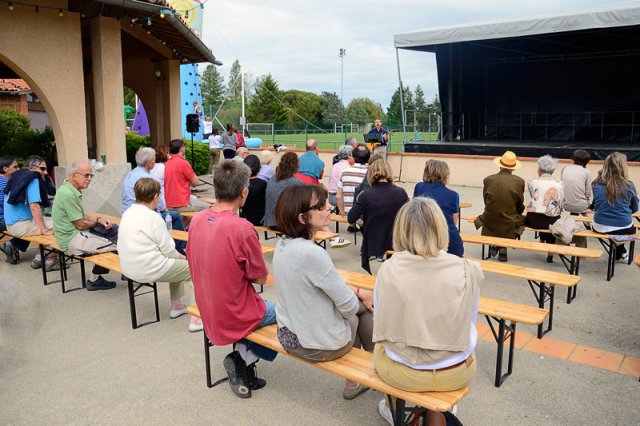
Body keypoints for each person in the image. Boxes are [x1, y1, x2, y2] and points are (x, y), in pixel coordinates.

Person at [373, 198, 482, 426]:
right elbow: (469, 323)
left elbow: (381, 321)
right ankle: (436, 417)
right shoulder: (468, 269)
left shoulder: (388, 269)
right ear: (440, 227)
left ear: (401, 229)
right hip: (455, 372)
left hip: (403, 373)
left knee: (379, 345)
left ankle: (401, 412)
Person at [273, 184, 374, 400]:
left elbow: (326, 283)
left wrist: (355, 291)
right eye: (321, 205)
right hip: (314, 345)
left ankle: (355, 380)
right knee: (364, 310)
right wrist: (358, 300)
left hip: (288, 336)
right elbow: (347, 306)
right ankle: (373, 372)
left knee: (357, 305)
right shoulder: (312, 254)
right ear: (303, 218)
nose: (329, 207)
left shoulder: (283, 244)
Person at [188, 160, 276, 399]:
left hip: (207, 306)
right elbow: (259, 276)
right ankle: (242, 358)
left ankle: (241, 357)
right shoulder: (242, 228)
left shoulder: (196, 220)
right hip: (236, 312)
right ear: (244, 192)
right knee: (289, 311)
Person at [117, 178, 201, 331]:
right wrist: (182, 257)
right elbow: (168, 249)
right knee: (194, 268)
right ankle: (196, 319)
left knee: (177, 265)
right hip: (148, 268)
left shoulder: (128, 212)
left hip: (129, 267)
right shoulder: (153, 217)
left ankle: (177, 305)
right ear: (155, 197)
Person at [52, 160, 118, 290]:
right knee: (119, 244)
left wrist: (99, 219)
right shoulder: (68, 193)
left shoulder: (69, 189)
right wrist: (95, 222)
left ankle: (103, 277)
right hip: (71, 239)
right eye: (86, 175)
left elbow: (82, 215)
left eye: (91, 176)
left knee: (114, 230)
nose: (89, 179)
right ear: (74, 175)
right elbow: (81, 224)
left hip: (76, 234)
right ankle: (95, 280)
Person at [122, 147, 186, 253]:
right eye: (153, 159)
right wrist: (164, 209)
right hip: (140, 217)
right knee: (175, 216)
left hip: (126, 213)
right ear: (149, 163)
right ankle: (179, 249)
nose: (155, 161)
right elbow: (158, 202)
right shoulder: (146, 178)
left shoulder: (131, 173)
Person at [348, 159, 408, 272]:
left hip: (373, 241)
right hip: (396, 241)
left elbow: (351, 218)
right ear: (389, 172)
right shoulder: (401, 193)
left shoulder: (365, 195)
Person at [4, 155, 60, 270]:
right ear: (31, 167)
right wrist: (44, 229)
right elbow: (34, 206)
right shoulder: (33, 178)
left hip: (11, 224)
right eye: (42, 169)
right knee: (64, 226)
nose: (45, 172)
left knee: (57, 221)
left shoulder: (17, 176)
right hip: (21, 225)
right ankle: (50, 260)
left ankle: (39, 258)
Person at [474, 151, 525, 262]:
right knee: (519, 220)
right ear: (513, 168)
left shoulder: (488, 180)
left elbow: (486, 201)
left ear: (500, 165)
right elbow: (520, 204)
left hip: (489, 218)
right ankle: (502, 246)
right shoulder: (519, 182)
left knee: (495, 214)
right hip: (508, 220)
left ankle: (496, 246)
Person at [591, 152, 638, 261]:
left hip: (599, 226)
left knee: (615, 227)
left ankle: (619, 250)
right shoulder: (629, 185)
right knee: (624, 227)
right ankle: (620, 250)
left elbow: (597, 206)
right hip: (623, 226)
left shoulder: (596, 183)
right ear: (623, 167)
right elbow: (635, 209)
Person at [413, 159, 464, 257]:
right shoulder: (453, 195)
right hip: (449, 243)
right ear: (445, 174)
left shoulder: (419, 187)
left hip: (423, 240)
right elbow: (453, 222)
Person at [525, 155, 564, 262]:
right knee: (552, 217)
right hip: (551, 221)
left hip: (532, 220)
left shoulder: (532, 182)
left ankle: (542, 239)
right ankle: (550, 252)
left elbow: (535, 199)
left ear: (540, 170)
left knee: (542, 211)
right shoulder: (560, 184)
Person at [164, 139, 209, 212]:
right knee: (210, 208)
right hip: (182, 203)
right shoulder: (183, 163)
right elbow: (196, 182)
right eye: (184, 146)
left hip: (169, 203)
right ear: (181, 149)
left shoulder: (167, 163)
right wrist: (187, 181)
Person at [561, 149, 592, 248]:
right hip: (580, 206)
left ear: (573, 159)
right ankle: (588, 227)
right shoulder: (587, 172)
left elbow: (562, 185)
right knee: (583, 206)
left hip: (564, 204)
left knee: (574, 204)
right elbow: (588, 192)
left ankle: (572, 224)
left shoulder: (565, 168)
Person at [264, 152, 302, 229]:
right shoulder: (296, 182)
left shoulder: (272, 179)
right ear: (296, 166)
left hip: (271, 222)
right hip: (285, 223)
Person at [0, 156, 27, 265]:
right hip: (2, 220)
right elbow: (8, 204)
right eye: (15, 167)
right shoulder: (4, 183)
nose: (18, 169)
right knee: (29, 224)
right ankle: (12, 245)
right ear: (5, 168)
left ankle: (13, 246)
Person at [337, 144, 370, 216]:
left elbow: (338, 196)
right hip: (363, 213)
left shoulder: (345, 172)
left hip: (348, 213)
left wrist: (342, 211)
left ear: (353, 156)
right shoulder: (369, 173)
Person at [240, 155, 267, 226]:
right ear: (259, 168)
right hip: (259, 219)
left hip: (244, 217)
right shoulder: (262, 183)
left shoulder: (240, 183)